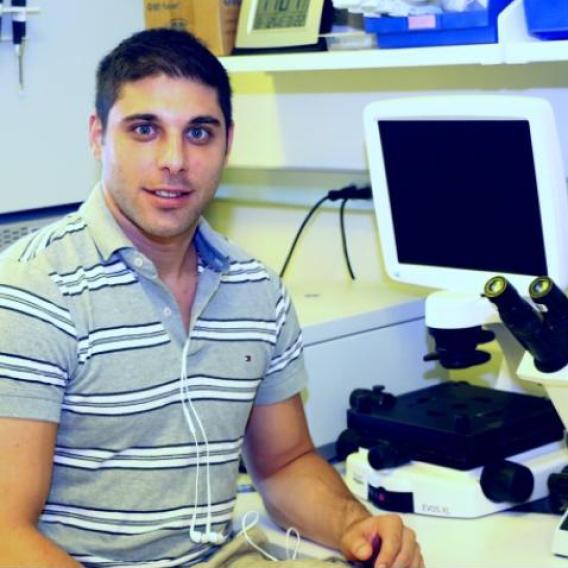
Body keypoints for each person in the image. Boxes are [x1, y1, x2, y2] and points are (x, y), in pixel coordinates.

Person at [0, 28, 423, 568]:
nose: (174, 160)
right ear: (97, 137)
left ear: (228, 142)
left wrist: (359, 530)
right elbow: (6, 533)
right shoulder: (32, 292)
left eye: (199, 132)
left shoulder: (257, 291)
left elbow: (285, 463)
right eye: (145, 129)